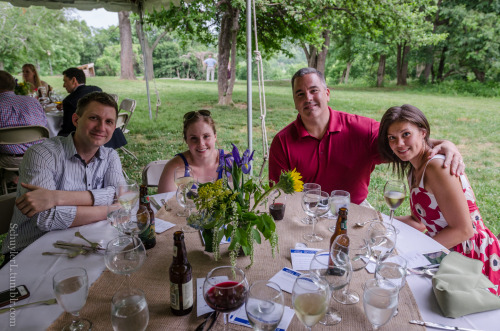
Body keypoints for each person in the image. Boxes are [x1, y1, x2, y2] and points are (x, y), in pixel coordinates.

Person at [268, 68, 464, 205]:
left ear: (327, 94)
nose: (308, 98)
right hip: (306, 212)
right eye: (300, 94)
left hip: (354, 210)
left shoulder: (361, 129)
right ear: (294, 101)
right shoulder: (282, 141)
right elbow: (278, 195)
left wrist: (444, 143)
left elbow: (403, 142)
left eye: (314, 90)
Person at [378, 104, 500, 293]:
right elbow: (418, 222)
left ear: (423, 132)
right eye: (392, 138)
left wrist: (413, 257)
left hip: (469, 255)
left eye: (406, 134)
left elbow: (464, 230)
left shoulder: (435, 168)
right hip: (445, 248)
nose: (399, 144)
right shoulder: (415, 168)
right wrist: (379, 220)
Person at [1, 92, 124, 261]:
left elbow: (122, 198)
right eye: (93, 118)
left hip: (83, 243)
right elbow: (45, 218)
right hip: (28, 250)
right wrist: (110, 210)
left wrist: (56, 197)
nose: (101, 127)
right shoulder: (41, 154)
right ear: (75, 120)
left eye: (109, 121)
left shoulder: (110, 156)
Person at [158, 110, 224, 193]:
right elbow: (165, 203)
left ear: (215, 136)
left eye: (206, 136)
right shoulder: (175, 167)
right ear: (186, 140)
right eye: (194, 138)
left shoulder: (229, 161)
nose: (201, 143)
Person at [0, 70, 48, 172]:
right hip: (39, 155)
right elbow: (44, 126)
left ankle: (11, 179)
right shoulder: (33, 101)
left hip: (9, 159)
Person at [58, 67, 102, 136]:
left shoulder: (69, 101)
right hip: (105, 134)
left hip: (85, 138)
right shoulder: (97, 89)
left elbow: (67, 129)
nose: (64, 85)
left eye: (65, 81)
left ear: (73, 80)